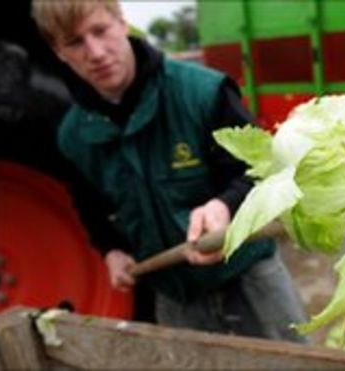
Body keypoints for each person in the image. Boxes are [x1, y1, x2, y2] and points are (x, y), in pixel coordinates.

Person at [31, 0, 307, 342]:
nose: (96, 52)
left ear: (121, 23)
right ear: (58, 52)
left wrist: (225, 206)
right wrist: (110, 251)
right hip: (175, 296)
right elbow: (90, 207)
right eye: (75, 42)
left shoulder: (204, 93)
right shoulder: (72, 137)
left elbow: (263, 171)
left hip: (249, 277)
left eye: (100, 30)